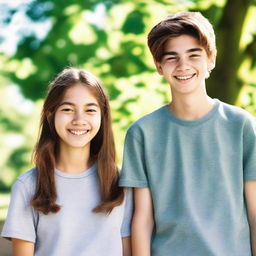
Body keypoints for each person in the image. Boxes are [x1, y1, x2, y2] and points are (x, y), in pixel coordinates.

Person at [119, 11, 256, 255]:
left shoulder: (242, 125)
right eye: (172, 58)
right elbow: (142, 218)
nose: (183, 66)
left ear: (211, 59)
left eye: (194, 55)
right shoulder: (142, 133)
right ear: (159, 66)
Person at [1, 67, 132, 256]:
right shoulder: (28, 186)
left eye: (90, 110)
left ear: (102, 117)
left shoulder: (121, 181)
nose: (79, 119)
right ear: (50, 114)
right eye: (68, 109)